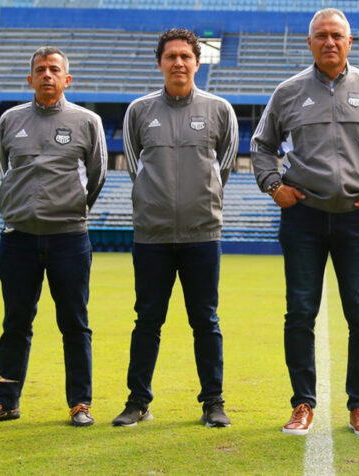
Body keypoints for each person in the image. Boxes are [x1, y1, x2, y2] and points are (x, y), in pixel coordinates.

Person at [250, 8, 359, 437]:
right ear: (309, 43)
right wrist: (272, 184)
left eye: (337, 35)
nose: (330, 42)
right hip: (304, 217)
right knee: (300, 312)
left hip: (358, 217)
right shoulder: (287, 92)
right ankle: (302, 403)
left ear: (350, 41)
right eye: (321, 36)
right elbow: (261, 145)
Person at [0, 47, 107, 427]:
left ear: (67, 79)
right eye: (40, 70)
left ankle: (80, 404)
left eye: (55, 69)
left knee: (75, 323)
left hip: (68, 239)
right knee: (15, 322)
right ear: (30, 79)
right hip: (19, 239)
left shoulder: (87, 121)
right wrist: (22, 206)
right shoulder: (10, 120)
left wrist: (70, 209)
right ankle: (7, 401)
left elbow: (97, 176)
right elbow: (5, 169)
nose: (47, 75)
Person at [112, 28, 238, 428]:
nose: (179, 63)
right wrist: (156, 201)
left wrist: (200, 201)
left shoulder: (220, 110)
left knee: (206, 321)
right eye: (171, 57)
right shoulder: (138, 111)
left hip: (202, 235)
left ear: (197, 62)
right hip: (152, 236)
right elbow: (135, 167)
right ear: (160, 63)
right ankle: (137, 402)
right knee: (147, 319)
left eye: (186, 56)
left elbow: (226, 166)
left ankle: (213, 402)